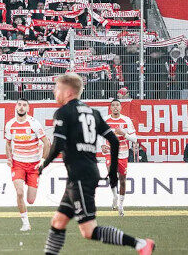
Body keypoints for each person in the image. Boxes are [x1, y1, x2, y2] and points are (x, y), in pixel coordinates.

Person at [38, 73, 154, 255]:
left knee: (89, 230)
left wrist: (43, 166)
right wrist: (113, 173)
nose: (54, 91)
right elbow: (114, 142)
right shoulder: (94, 113)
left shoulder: (63, 112)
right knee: (58, 221)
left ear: (68, 91)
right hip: (84, 173)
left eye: (57, 87)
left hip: (80, 177)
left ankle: (140, 244)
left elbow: (58, 144)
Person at [5, 98, 50, 231]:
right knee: (19, 193)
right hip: (18, 163)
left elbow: (47, 143)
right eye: (19, 105)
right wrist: (9, 158)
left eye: (24, 105)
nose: (21, 107)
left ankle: (32, 181)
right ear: (15, 107)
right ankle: (25, 223)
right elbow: (8, 143)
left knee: (31, 200)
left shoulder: (34, 124)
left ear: (28, 108)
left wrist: (42, 161)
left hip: (33, 165)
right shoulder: (10, 124)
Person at [104, 98, 138, 215]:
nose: (115, 107)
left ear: (121, 107)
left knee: (122, 180)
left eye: (117, 105)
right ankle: (114, 196)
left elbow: (134, 139)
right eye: (113, 105)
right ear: (110, 108)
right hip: (110, 151)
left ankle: (121, 205)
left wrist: (124, 133)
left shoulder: (126, 120)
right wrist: (102, 146)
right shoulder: (105, 120)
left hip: (123, 153)